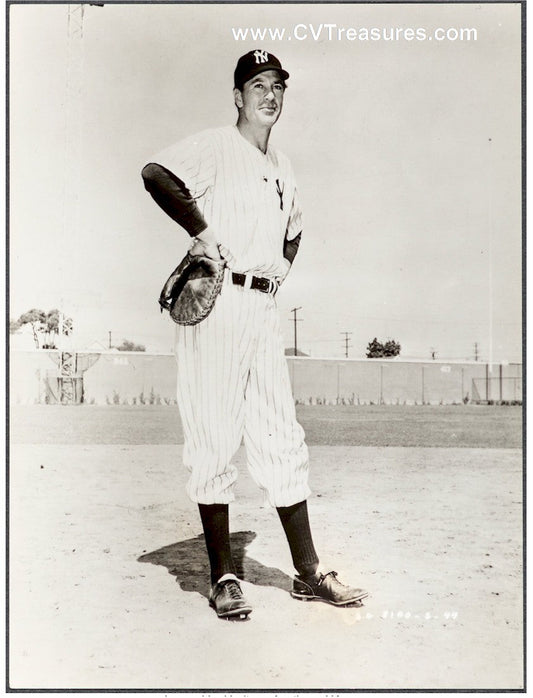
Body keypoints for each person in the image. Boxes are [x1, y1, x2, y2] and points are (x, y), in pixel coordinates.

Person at [141, 50, 368, 620]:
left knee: (281, 437)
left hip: (263, 309)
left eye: (278, 86)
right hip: (219, 304)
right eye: (257, 85)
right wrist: (206, 234)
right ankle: (223, 575)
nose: (270, 95)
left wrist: (283, 267)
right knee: (214, 436)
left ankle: (308, 573)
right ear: (238, 96)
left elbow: (294, 231)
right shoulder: (217, 145)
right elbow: (156, 174)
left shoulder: (283, 166)